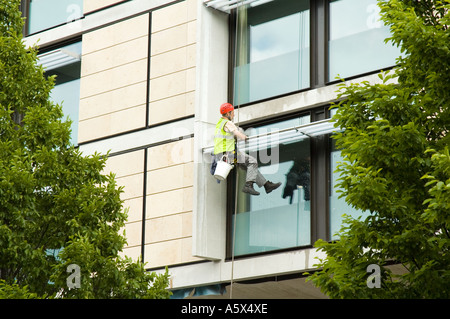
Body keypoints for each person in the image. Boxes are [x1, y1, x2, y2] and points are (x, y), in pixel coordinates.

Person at [213, 102, 281, 196]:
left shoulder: (219, 124)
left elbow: (225, 137)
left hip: (222, 154)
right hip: (229, 154)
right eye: (232, 112)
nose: (234, 114)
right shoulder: (228, 123)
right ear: (228, 113)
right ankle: (248, 186)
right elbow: (236, 132)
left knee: (250, 168)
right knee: (252, 161)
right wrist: (244, 137)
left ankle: (266, 185)